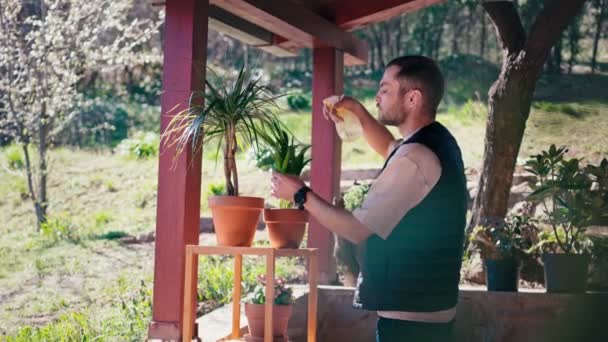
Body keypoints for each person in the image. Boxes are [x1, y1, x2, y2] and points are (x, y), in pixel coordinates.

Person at [270, 55, 468, 342]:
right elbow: (389, 147)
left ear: (412, 99)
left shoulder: (415, 157)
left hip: (411, 323)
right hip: (426, 311)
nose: (377, 97)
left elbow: (355, 228)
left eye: (385, 89)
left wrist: (301, 194)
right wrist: (358, 112)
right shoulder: (434, 140)